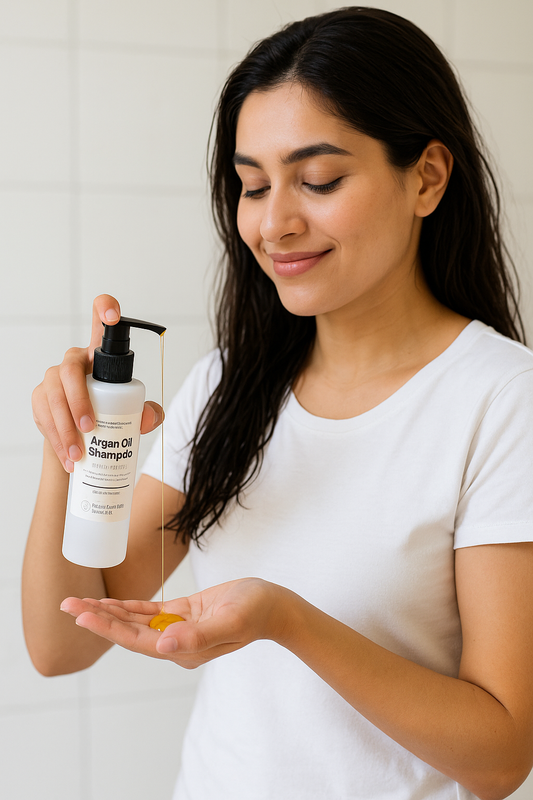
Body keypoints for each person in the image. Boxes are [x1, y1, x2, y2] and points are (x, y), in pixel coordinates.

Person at [23, 7, 533, 800]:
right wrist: (75, 449)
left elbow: (500, 756)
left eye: (319, 180)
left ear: (427, 177)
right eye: (252, 185)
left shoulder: (500, 400)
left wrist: (286, 622)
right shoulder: (231, 387)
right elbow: (61, 644)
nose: (273, 222)